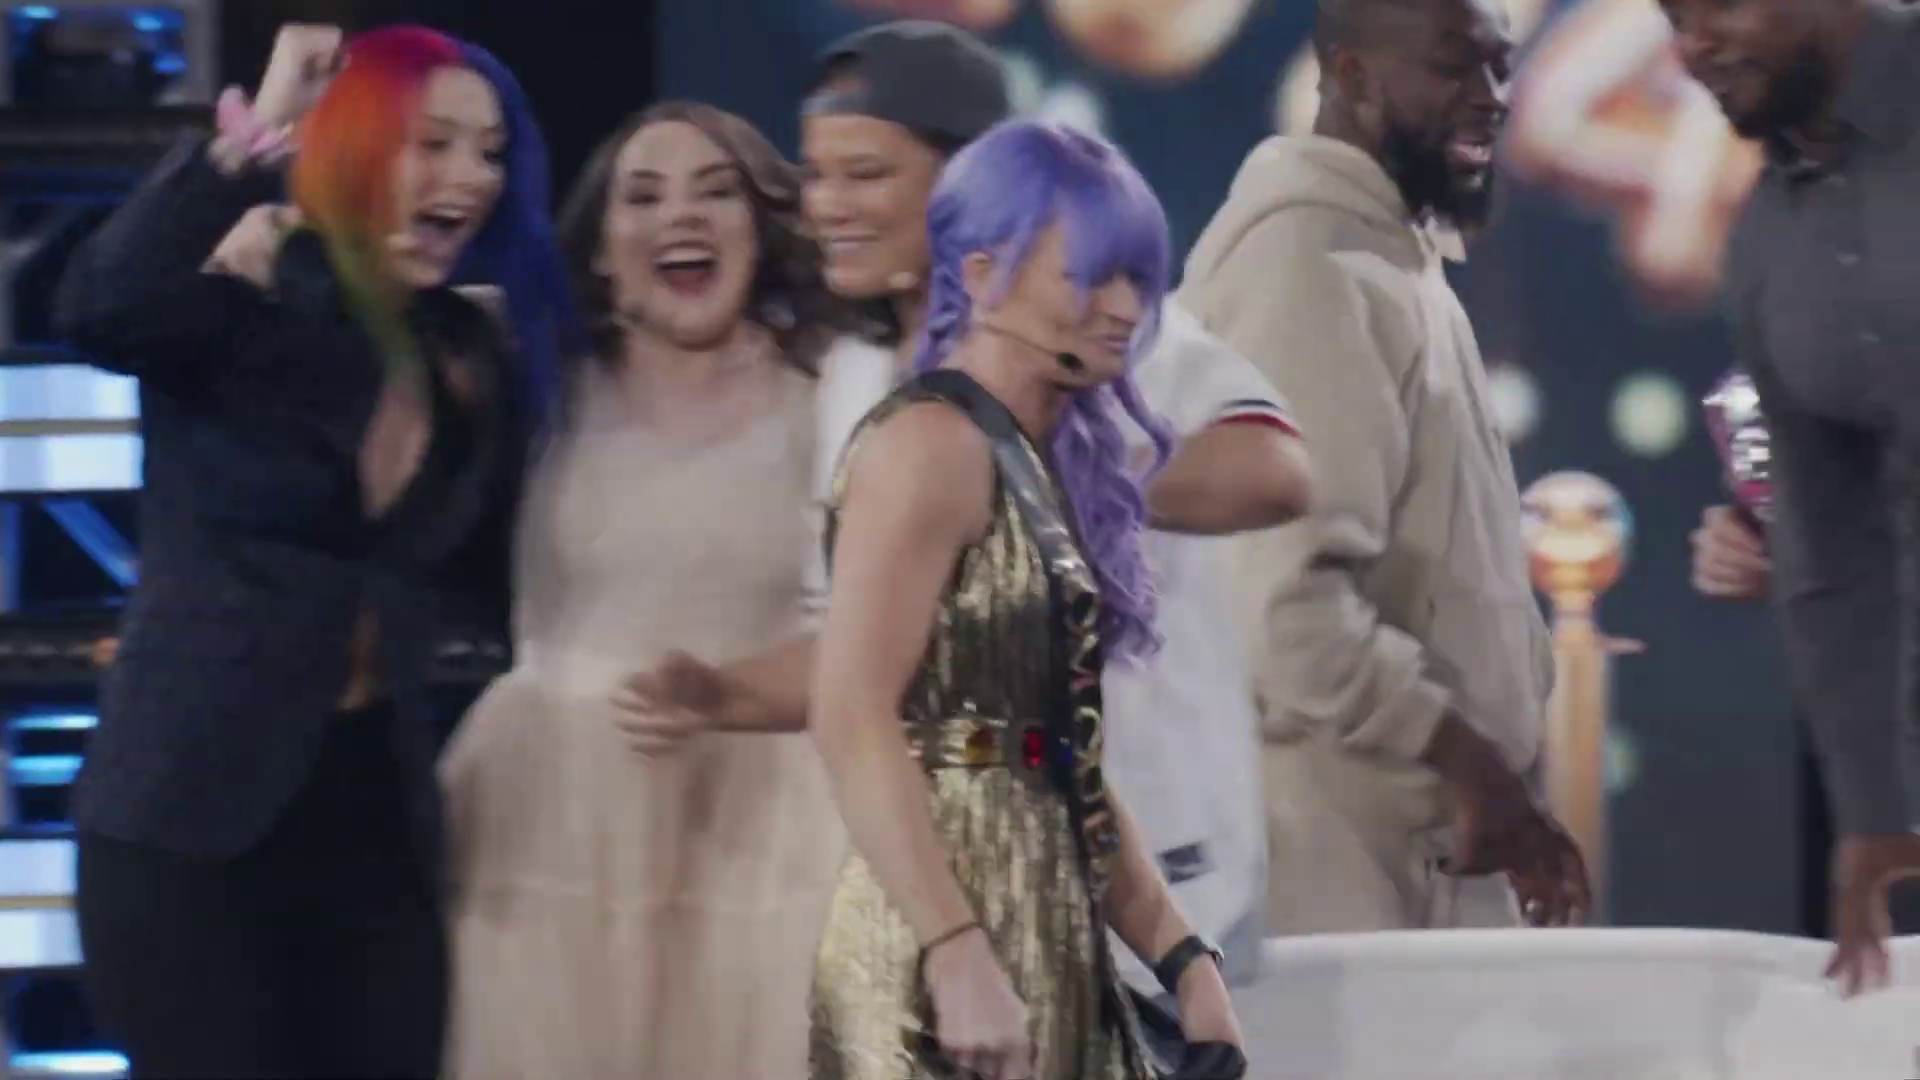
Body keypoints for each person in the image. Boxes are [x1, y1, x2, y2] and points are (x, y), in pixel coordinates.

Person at [54, 23, 574, 1079]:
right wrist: (257, 132)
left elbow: (491, 569)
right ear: (356, 144)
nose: (472, 176)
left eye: (490, 152)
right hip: (189, 818)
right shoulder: (246, 296)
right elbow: (100, 305)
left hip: (374, 812)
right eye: (434, 142)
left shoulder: (466, 351)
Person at [807, 118, 1244, 1080]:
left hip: (1046, 936)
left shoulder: (1039, 461)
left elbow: (1060, 762)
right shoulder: (926, 447)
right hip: (937, 959)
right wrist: (954, 950)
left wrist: (1182, 956)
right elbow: (848, 711)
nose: (1124, 307)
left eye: (1137, 277)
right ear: (979, 276)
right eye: (1089, 276)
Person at [440, 102, 861, 1078]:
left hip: (763, 830)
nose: (683, 216)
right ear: (598, 251)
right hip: (547, 829)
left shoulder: (836, 399)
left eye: (717, 192)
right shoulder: (526, 385)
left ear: (761, 229)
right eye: (644, 196)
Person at [1177, 0, 1590, 933]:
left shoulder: (1388, 256)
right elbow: (1282, 607)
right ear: (1352, 75)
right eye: (1454, 65)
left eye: (1500, 66)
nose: (1492, 96)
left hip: (1409, 843)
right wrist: (1466, 760)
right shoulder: (1308, 267)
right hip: (1332, 863)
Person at [1656, 0, 1920, 993]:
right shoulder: (1766, 244)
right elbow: (1835, 555)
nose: (1691, 45)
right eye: (1672, 17)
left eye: (1716, 4)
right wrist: (1874, 816)